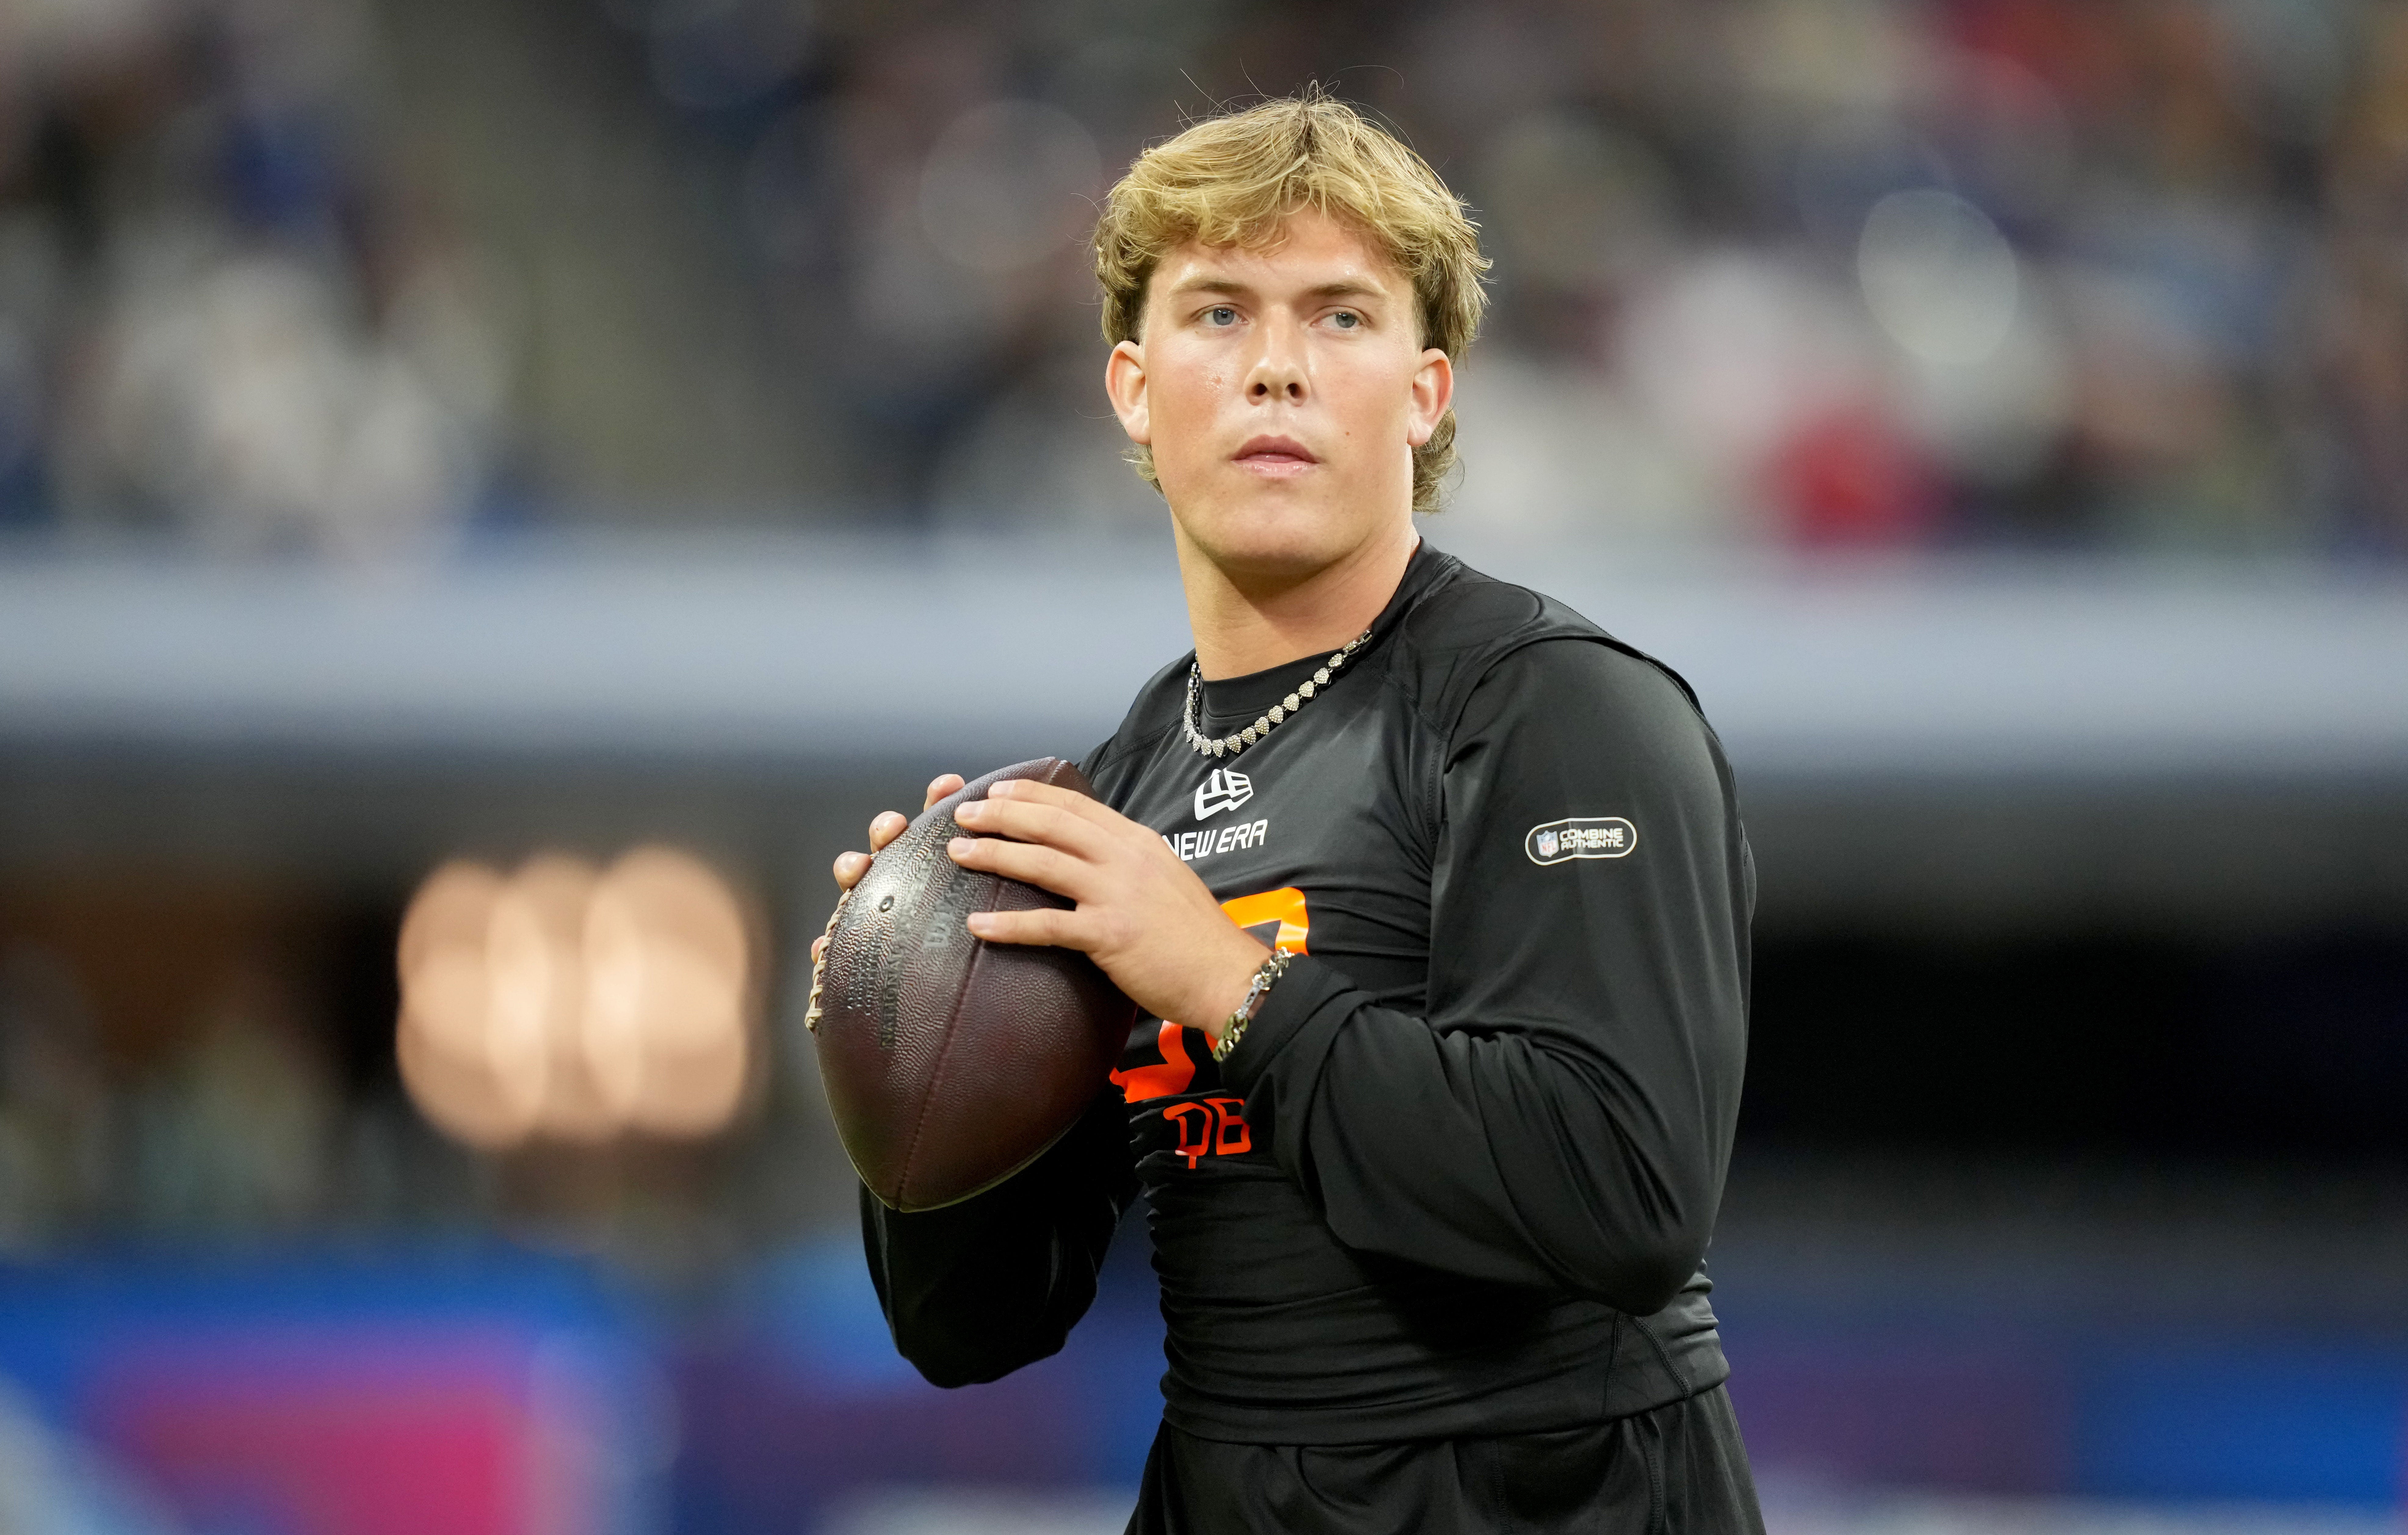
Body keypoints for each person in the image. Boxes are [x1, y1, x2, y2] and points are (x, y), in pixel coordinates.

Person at [816, 90, 1763, 1533]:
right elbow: (974, 1333)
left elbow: (1618, 1195)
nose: (1274, 371)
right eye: (1216, 315)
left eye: (1337, 316)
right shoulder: (1115, 786)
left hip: (1554, 1492)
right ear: (1133, 388)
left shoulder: (1558, 713)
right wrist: (903, 1044)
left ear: (1426, 392)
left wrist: (1223, 981)